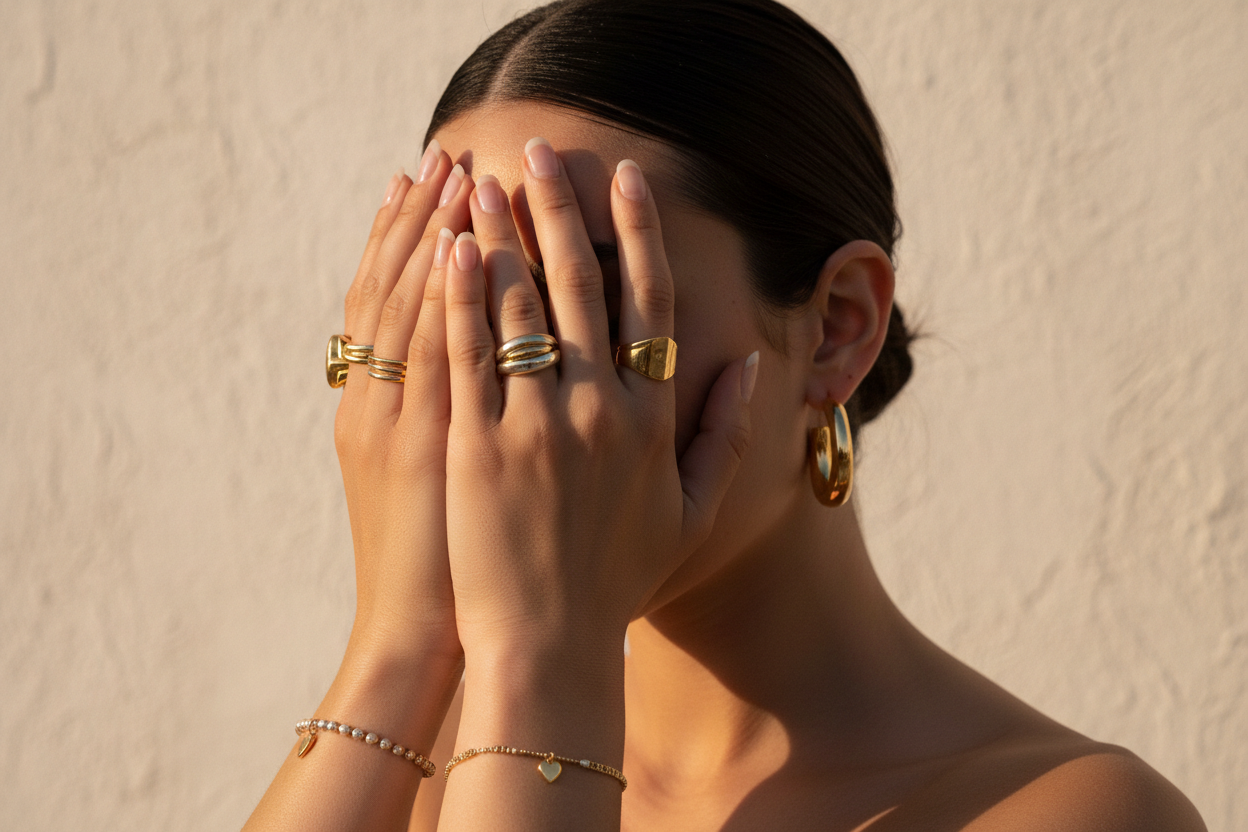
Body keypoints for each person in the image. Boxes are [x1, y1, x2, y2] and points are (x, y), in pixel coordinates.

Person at [245, 1, 1206, 829]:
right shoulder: (416, 764)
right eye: (450, 295)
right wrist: (400, 641)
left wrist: (550, 655)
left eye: (581, 297)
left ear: (837, 327)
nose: (504, 386)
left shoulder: (1067, 814)